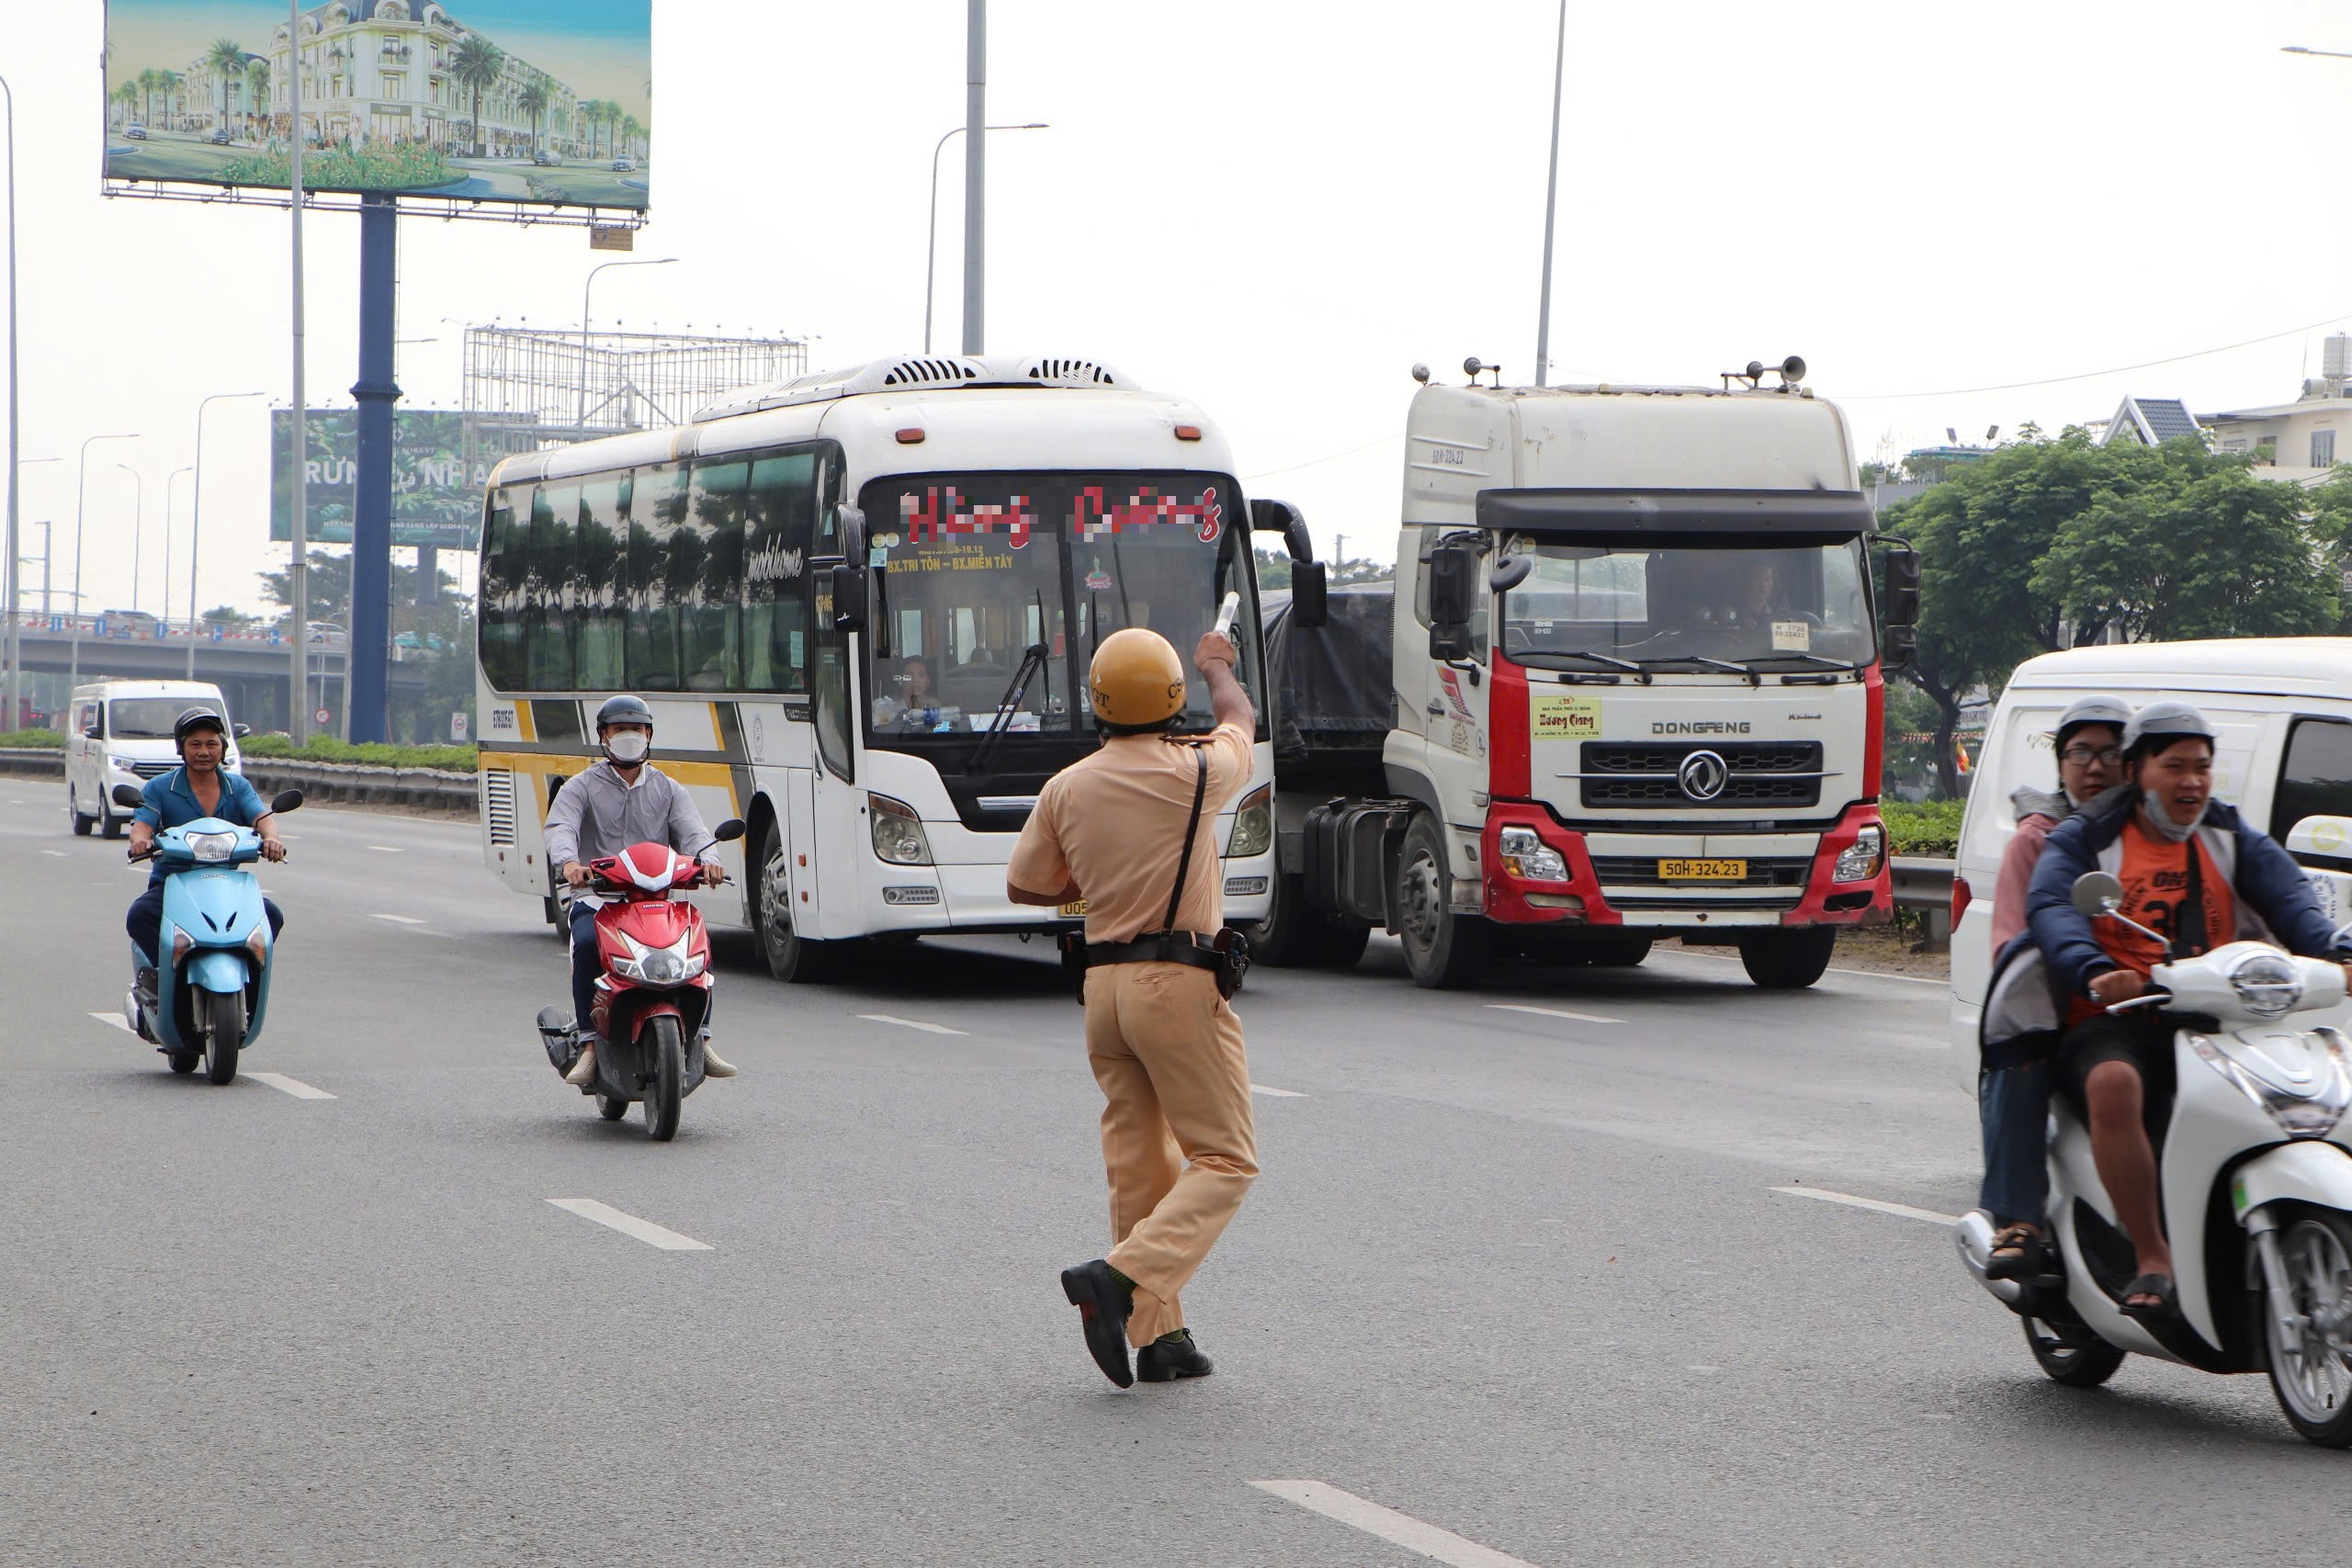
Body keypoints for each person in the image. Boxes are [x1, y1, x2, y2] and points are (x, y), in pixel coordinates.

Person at [2024, 701, 2352, 1318]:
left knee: (2298, 1086)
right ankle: (2152, 1255)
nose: (2192, 781)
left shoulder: (2227, 834)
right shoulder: (2088, 837)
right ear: (2136, 771)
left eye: (2202, 766)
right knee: (2115, 1083)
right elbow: (2053, 905)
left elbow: (2293, 900)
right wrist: (2096, 970)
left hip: (2214, 1015)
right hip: (2117, 1019)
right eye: (2174, 766)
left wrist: (2337, 952)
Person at [1009, 626, 1257, 1387]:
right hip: (1176, 984)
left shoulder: (1068, 784)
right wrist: (1219, 666)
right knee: (1225, 1157)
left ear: (1098, 699)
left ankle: (1161, 1338)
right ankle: (1116, 1279)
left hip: (1103, 990)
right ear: (1173, 696)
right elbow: (1240, 721)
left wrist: (1103, 888)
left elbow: (1027, 885)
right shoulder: (1197, 770)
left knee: (1140, 1165)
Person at [1977, 695, 2129, 1281]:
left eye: (2111, 754)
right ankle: (2018, 1219)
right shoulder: (2039, 841)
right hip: (2064, 1014)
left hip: (2149, 1005)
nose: (2095, 767)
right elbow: (2013, 945)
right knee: (2019, 1056)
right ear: (2061, 764)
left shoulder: (2150, 834)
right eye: (2080, 753)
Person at [543, 694, 738, 1085]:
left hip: (655, 900)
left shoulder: (669, 789)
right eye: (620, 730)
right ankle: (589, 1046)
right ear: (603, 737)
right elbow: (560, 828)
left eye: (637, 730)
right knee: (584, 941)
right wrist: (570, 864)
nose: (629, 736)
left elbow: (695, 833)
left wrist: (709, 861)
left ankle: (702, 1038)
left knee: (697, 935)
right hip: (600, 900)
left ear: (649, 735)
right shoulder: (580, 787)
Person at [125, 708, 287, 996]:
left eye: (211, 744)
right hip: (174, 883)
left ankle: (248, 982)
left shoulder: (238, 786)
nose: (204, 751)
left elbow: (261, 818)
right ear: (182, 749)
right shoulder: (160, 787)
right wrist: (140, 841)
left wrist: (271, 838)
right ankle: (163, 979)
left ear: (222, 748)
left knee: (271, 915)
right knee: (139, 915)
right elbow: (142, 823)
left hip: (226, 885)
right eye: (195, 744)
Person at [874, 656, 941, 729]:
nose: (916, 680)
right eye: (909, 675)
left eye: (921, 675)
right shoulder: (886, 708)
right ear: (901, 681)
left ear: (928, 681)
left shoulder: (936, 708)